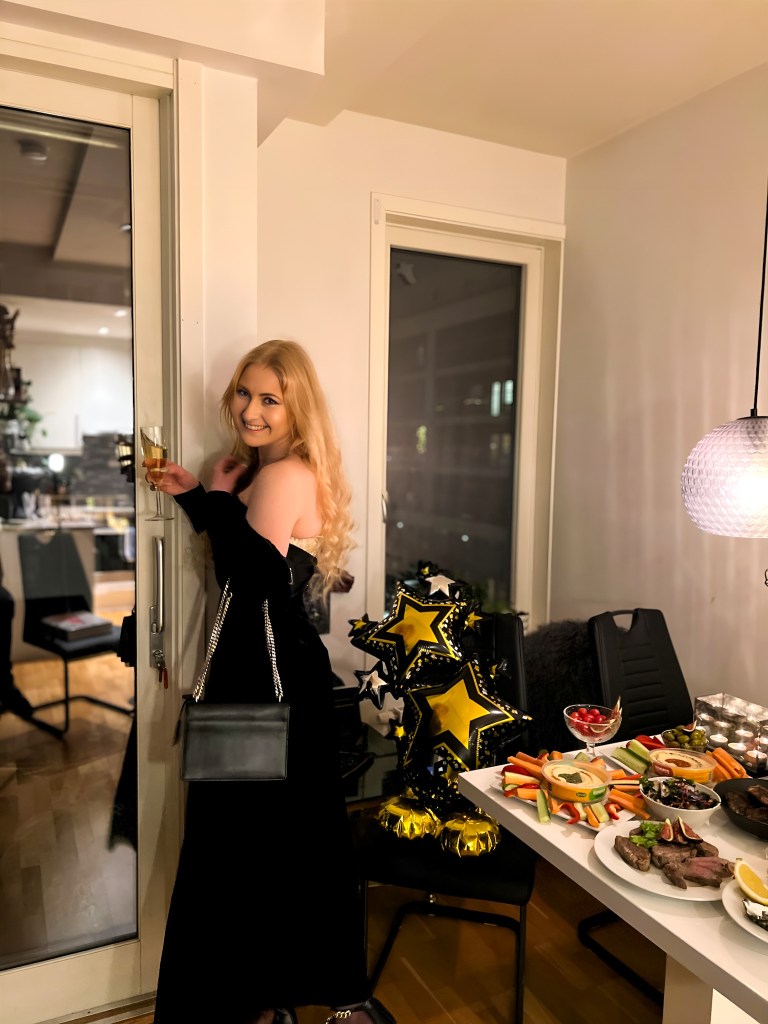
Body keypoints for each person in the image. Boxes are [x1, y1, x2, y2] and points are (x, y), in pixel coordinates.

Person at [150, 340, 395, 1024]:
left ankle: (264, 998)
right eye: (244, 394)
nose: (251, 411)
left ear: (295, 407)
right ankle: (271, 996)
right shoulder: (270, 472)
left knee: (253, 846)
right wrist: (203, 496)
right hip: (266, 678)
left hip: (273, 684)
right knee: (264, 845)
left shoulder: (287, 474)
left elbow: (252, 579)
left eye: (269, 399)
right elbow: (250, 559)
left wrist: (216, 496)